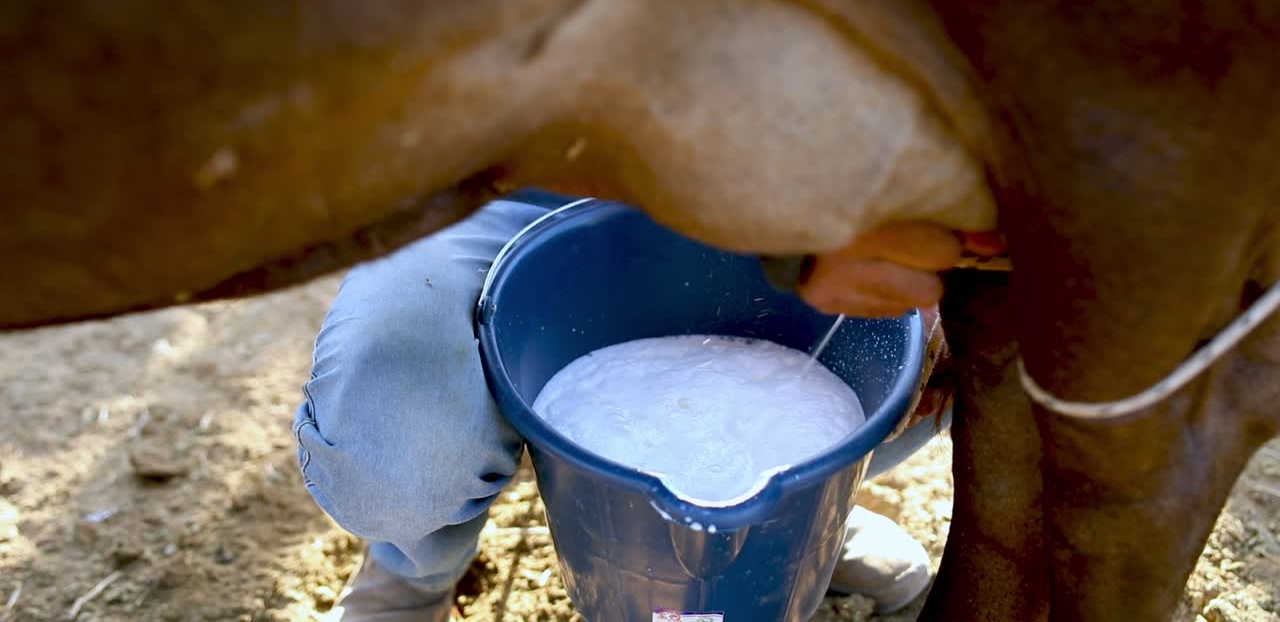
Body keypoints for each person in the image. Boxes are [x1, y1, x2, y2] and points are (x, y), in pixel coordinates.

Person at [294, 191, 952, 621]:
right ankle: (416, 567)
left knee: (962, 349)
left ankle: (799, 524)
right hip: (510, 183)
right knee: (384, 454)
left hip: (788, 187)